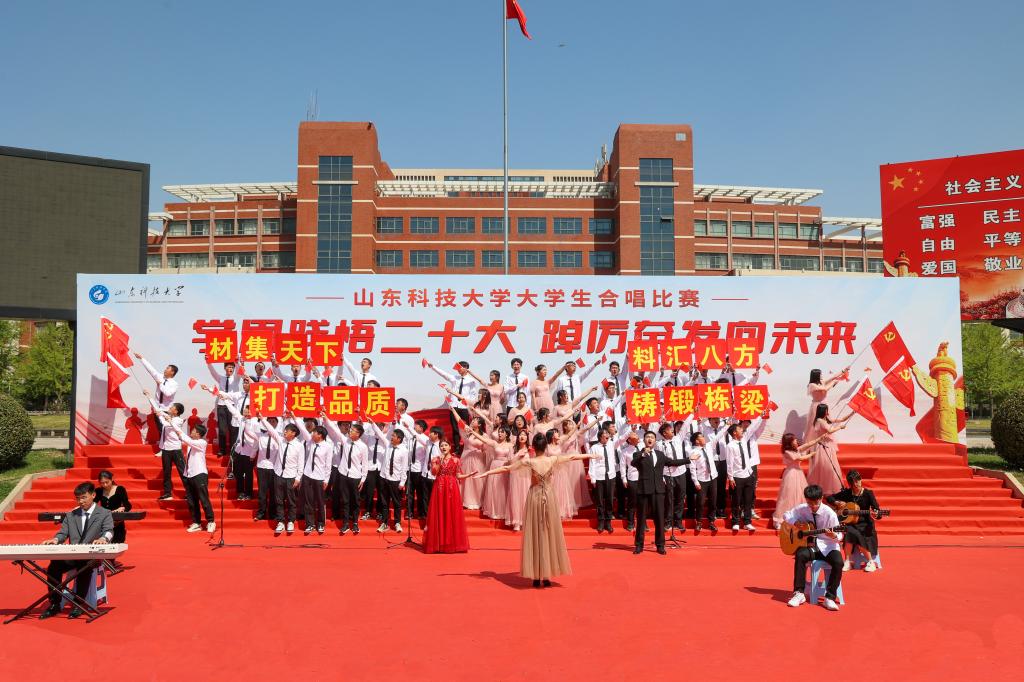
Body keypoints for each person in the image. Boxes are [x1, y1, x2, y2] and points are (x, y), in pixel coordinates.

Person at [478, 434, 596, 586]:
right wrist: (590, 455)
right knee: (548, 533)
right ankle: (546, 576)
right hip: (549, 497)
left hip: (534, 497)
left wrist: (487, 473)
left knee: (535, 533)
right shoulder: (551, 460)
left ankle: (536, 575)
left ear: (533, 447)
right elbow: (572, 457)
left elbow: (507, 468)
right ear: (546, 446)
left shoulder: (529, 461)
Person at [39, 482, 114, 619]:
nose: (80, 501)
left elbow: (109, 530)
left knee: (84, 567)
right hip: (73, 555)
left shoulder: (105, 513)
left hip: (91, 555)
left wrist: (103, 538)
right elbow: (63, 533)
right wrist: (56, 539)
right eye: (78, 498)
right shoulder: (71, 515)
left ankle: (78, 604)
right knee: (54, 567)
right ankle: (55, 603)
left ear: (93, 495)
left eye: (84, 497)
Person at [783, 485, 844, 611]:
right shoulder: (802, 509)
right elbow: (786, 515)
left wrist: (833, 535)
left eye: (815, 503)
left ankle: (830, 597)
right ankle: (799, 593)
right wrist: (795, 522)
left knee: (839, 562)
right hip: (811, 546)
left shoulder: (830, 514)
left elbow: (840, 535)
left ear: (821, 498)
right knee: (800, 555)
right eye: (809, 503)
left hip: (829, 546)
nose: (813, 506)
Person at [630, 431, 690, 554]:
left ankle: (660, 545)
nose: (650, 439)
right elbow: (633, 463)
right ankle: (639, 545)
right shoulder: (638, 454)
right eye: (647, 437)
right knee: (641, 519)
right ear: (644, 440)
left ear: (655, 440)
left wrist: (688, 459)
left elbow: (672, 462)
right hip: (644, 490)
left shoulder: (660, 454)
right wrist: (643, 454)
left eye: (652, 437)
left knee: (660, 519)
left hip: (658, 491)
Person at [423, 439, 472, 553]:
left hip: (451, 488)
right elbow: (434, 473)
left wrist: (468, 475)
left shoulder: (456, 460)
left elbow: (458, 475)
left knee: (451, 513)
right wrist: (438, 462)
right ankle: (438, 544)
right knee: (439, 512)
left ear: (450, 447)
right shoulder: (435, 459)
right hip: (439, 488)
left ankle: (451, 543)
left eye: (446, 445)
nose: (443, 447)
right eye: (441, 445)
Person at [828, 470, 883, 572]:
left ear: (860, 479)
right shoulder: (847, 493)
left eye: (858, 480)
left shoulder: (868, 494)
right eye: (853, 482)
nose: (857, 484)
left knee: (854, 533)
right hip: (851, 523)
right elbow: (829, 498)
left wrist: (876, 514)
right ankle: (848, 562)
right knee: (849, 531)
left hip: (865, 524)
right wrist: (837, 502)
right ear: (850, 484)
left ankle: (870, 562)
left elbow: (877, 510)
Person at [259, 415, 305, 535]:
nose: (284, 432)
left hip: (291, 477)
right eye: (284, 430)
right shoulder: (281, 441)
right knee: (278, 500)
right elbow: (271, 430)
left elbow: (301, 464)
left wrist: (298, 478)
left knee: (291, 501)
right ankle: (280, 521)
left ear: (293, 433)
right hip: (278, 474)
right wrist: (262, 418)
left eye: (287, 431)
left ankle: (290, 521)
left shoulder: (299, 446)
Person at [168, 420, 215, 533]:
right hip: (189, 475)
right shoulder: (191, 443)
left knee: (203, 499)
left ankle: (211, 521)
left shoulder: (202, 443)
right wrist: (169, 421)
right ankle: (196, 522)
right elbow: (181, 435)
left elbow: (184, 437)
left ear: (198, 434)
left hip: (199, 474)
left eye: (193, 430)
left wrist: (172, 422)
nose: (191, 432)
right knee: (192, 501)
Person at [427, 359, 479, 452]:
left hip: (465, 407)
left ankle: (467, 446)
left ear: (466, 368)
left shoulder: (472, 381)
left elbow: (473, 395)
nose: (458, 369)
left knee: (467, 428)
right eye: (457, 368)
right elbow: (444, 374)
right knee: (455, 428)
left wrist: (471, 406)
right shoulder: (455, 378)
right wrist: (433, 367)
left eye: (460, 367)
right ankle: (457, 448)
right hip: (454, 406)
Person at [772, 433, 822, 529]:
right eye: (794, 440)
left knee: (800, 495)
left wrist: (819, 438)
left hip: (798, 473)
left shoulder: (796, 450)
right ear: (789, 442)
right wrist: (812, 454)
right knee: (788, 496)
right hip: (791, 474)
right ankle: (781, 519)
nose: (796, 441)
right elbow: (800, 458)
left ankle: (799, 518)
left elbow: (807, 445)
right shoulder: (787, 452)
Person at [146, 392, 186, 502]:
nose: (170, 408)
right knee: (166, 472)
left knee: (182, 471)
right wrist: (149, 397)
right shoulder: (167, 418)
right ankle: (167, 493)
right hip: (166, 450)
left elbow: (167, 423)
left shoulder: (178, 420)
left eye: (172, 407)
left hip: (176, 449)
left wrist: (162, 414)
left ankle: (189, 492)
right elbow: (159, 413)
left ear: (176, 411)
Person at [807, 404, 853, 497]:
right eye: (826, 410)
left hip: (828, 446)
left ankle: (827, 488)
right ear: (823, 411)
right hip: (823, 447)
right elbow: (830, 430)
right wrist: (840, 427)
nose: (828, 412)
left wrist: (852, 413)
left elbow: (841, 419)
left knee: (830, 468)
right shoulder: (820, 421)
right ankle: (823, 488)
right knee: (826, 468)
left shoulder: (825, 420)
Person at [206, 360, 241, 457]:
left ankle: (233, 451)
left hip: (232, 405)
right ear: (225, 368)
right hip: (221, 405)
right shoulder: (220, 378)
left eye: (232, 367)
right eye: (229, 367)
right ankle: (222, 450)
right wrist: (208, 363)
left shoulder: (236, 378)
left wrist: (237, 362)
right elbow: (212, 372)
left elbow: (239, 370)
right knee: (222, 429)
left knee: (233, 429)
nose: (231, 369)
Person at [378, 429, 409, 533]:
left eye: (393, 436)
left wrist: (402, 482)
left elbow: (404, 467)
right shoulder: (388, 445)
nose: (391, 437)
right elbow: (380, 434)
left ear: (399, 439)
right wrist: (372, 423)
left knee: (397, 503)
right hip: (384, 478)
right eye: (391, 435)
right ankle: (384, 523)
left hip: (395, 480)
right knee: (384, 502)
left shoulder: (404, 450)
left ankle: (397, 522)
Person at [804, 368, 847, 441]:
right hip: (816, 406)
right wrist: (833, 382)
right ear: (816, 375)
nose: (821, 375)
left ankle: (824, 441)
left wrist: (843, 371)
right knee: (813, 426)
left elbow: (833, 377)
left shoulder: (821, 382)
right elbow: (825, 389)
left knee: (827, 422)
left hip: (824, 405)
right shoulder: (812, 385)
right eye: (820, 374)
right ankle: (813, 443)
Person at [505, 429, 532, 531]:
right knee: (515, 496)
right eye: (520, 435)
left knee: (525, 497)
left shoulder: (530, 449)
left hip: (526, 476)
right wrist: (518, 456)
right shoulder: (512, 449)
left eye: (524, 435)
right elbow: (509, 462)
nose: (522, 436)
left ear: (527, 437)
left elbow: (533, 462)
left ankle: (526, 521)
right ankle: (516, 522)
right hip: (515, 475)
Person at [96, 471, 132, 544]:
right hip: (104, 523)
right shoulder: (99, 491)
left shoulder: (120, 489)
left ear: (112, 479)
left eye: (107, 482)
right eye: (102, 483)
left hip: (117, 522)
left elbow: (128, 505)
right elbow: (92, 504)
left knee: (117, 544)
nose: (105, 485)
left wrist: (122, 508)